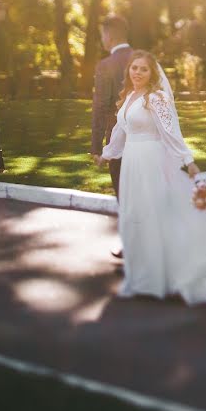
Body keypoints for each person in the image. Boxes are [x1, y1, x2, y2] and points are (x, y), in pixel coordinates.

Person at [99, 50, 206, 305]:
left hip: (150, 161)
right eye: (134, 68)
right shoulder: (129, 96)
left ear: (152, 73)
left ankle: (164, 276)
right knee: (136, 215)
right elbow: (119, 131)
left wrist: (188, 161)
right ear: (129, 70)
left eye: (143, 69)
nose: (137, 73)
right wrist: (107, 153)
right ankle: (143, 276)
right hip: (132, 163)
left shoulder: (156, 98)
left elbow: (171, 133)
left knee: (154, 214)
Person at [90, 14, 132, 258]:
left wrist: (97, 146)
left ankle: (131, 244)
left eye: (103, 34)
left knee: (123, 192)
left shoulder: (105, 65)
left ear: (111, 35)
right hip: (145, 139)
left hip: (118, 140)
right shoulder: (142, 58)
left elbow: (100, 107)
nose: (102, 39)